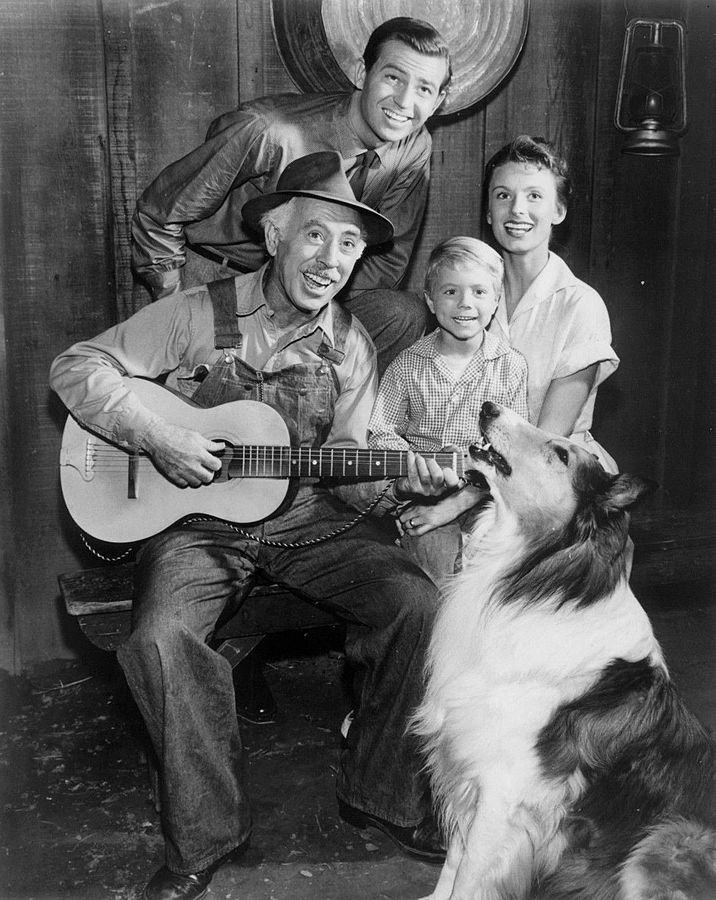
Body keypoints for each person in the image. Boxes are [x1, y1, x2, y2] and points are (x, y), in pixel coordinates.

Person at [50, 152, 459, 900]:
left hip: (306, 517)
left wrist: (399, 474)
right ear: (275, 236)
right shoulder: (196, 312)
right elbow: (77, 367)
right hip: (197, 525)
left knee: (418, 604)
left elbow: (347, 461)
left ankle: (383, 793)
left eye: (348, 245)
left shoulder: (351, 347)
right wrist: (158, 436)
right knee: (159, 639)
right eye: (315, 236)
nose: (330, 260)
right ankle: (206, 837)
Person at [131, 16, 452, 377]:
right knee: (205, 409)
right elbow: (158, 214)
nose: (404, 101)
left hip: (303, 290)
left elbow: (388, 258)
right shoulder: (269, 130)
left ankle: (326, 419)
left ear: (439, 100)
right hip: (215, 276)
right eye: (393, 77)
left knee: (403, 314)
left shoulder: (413, 145)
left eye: (424, 89)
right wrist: (176, 309)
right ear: (363, 74)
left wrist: (315, 316)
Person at [367, 236, 528, 583]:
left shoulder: (511, 367)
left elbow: (515, 455)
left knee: (497, 575)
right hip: (424, 495)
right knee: (439, 576)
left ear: (496, 300)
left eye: (479, 292)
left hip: (487, 497)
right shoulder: (408, 364)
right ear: (430, 299)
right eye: (451, 291)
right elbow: (380, 432)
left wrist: (457, 504)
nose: (465, 304)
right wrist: (420, 470)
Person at [484, 135, 619, 470]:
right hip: (483, 469)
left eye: (534, 196)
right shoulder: (467, 297)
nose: (517, 209)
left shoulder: (581, 305)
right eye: (503, 195)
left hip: (557, 477)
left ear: (558, 210)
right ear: (488, 212)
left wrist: (456, 502)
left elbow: (544, 444)